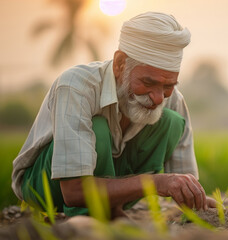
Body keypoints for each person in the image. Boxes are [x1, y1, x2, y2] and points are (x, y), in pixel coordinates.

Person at [11, 12, 215, 218]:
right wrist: (155, 183)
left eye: (168, 85)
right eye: (148, 83)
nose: (158, 98)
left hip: (112, 189)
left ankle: (111, 210)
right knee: (98, 128)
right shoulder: (76, 86)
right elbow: (73, 190)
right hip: (49, 187)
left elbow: (183, 178)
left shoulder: (171, 100)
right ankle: (89, 217)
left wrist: (194, 197)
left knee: (170, 121)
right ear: (120, 64)